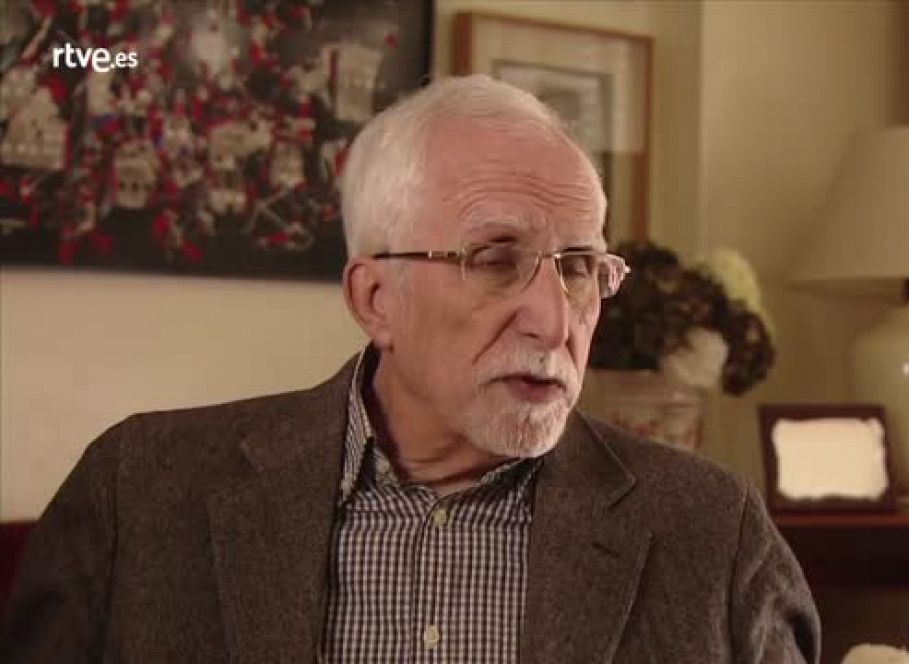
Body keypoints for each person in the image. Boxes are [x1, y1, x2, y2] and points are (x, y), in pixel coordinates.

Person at [1, 75, 819, 663]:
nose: (555, 319)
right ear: (376, 299)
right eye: (496, 259)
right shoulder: (139, 493)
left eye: (579, 267)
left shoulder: (710, 531)